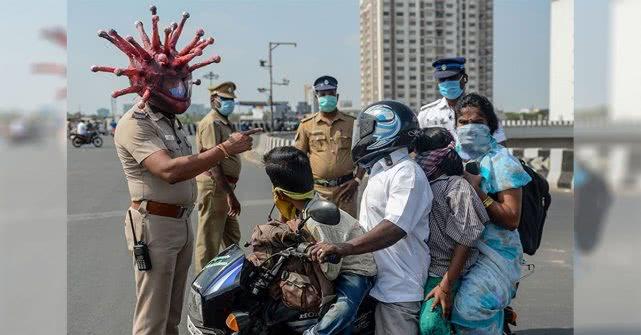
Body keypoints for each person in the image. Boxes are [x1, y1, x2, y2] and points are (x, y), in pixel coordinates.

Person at [94, 6, 259, 335]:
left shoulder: (171, 122)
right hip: (154, 226)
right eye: (172, 82)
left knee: (171, 315)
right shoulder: (135, 124)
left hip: (179, 222)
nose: (180, 89)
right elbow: (167, 170)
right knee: (152, 317)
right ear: (149, 81)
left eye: (183, 82)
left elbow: (192, 161)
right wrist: (224, 149)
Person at [310, 100, 432, 335]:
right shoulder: (380, 170)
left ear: (388, 127)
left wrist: (344, 248)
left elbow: (394, 228)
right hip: (374, 281)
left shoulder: (406, 173)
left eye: (367, 128)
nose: (361, 135)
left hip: (398, 288)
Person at [262, 146, 377, 335]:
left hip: (356, 268)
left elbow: (331, 272)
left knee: (343, 309)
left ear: (280, 193)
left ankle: (316, 332)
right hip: (328, 265)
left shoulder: (317, 218)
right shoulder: (302, 207)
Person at [448, 93, 531, 334]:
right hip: (455, 250)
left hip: (495, 255)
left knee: (468, 310)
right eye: (463, 122)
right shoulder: (451, 157)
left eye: (478, 122)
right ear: (455, 125)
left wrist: (478, 192)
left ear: (491, 126)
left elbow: (511, 218)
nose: (470, 127)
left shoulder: (501, 162)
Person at [413, 127, 489, 335]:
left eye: (422, 155)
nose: (418, 160)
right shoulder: (424, 184)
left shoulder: (456, 187)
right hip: (424, 268)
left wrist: (446, 285)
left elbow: (466, 238)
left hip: (447, 271)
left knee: (431, 325)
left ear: (436, 157)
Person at [294, 75, 364, 218]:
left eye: (331, 93)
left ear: (337, 96)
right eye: (323, 94)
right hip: (317, 190)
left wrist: (357, 180)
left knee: (348, 232)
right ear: (316, 97)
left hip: (346, 189)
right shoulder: (306, 125)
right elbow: (297, 159)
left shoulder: (352, 123)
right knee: (319, 232)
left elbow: (363, 154)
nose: (327, 97)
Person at [194, 81, 243, 273]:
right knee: (208, 241)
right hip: (216, 186)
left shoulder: (223, 122)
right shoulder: (211, 123)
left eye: (231, 100)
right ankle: (203, 285)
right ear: (214, 100)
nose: (229, 103)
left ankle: (233, 277)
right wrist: (230, 195)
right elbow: (212, 162)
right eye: (224, 99)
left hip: (224, 188)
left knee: (232, 237)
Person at [418, 57, 506, 144]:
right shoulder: (426, 114)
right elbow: (415, 148)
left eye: (452, 77)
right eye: (442, 79)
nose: (447, 82)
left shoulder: (483, 110)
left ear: (465, 78)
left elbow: (500, 145)